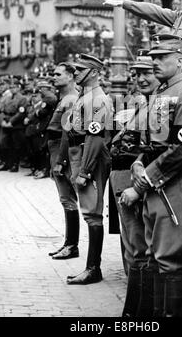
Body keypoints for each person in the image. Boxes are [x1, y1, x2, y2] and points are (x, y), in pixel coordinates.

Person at [120, 34, 182, 317]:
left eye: (161, 57)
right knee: (154, 258)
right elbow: (154, 144)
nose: (154, 62)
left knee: (169, 260)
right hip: (158, 185)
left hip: (175, 185)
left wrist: (143, 183)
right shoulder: (162, 95)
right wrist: (139, 162)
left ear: (180, 60)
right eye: (153, 57)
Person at [109, 51, 160, 317]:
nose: (140, 79)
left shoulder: (159, 104)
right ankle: (134, 308)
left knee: (139, 249)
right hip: (124, 175)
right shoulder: (144, 103)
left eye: (146, 73)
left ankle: (138, 313)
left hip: (138, 181)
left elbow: (155, 150)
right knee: (132, 246)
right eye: (137, 74)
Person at [64, 53, 113, 285]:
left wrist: (85, 171)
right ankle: (91, 267)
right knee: (88, 211)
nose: (75, 73)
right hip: (80, 154)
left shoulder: (97, 99)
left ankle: (93, 268)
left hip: (89, 156)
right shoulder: (87, 96)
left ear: (93, 72)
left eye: (80, 70)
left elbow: (96, 138)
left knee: (93, 213)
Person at [46, 63, 80, 261]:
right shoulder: (64, 98)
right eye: (53, 74)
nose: (54, 77)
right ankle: (69, 243)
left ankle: (72, 245)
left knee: (68, 199)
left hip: (62, 152)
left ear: (70, 77)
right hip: (56, 151)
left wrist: (61, 161)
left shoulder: (71, 99)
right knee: (65, 199)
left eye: (58, 74)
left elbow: (68, 134)